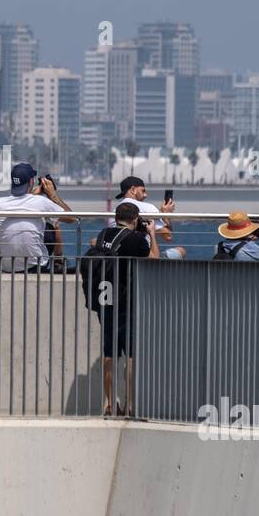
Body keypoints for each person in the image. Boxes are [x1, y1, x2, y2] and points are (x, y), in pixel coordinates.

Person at [92, 201, 158, 417]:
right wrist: (152, 235)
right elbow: (154, 259)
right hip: (127, 300)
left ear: (116, 217)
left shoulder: (103, 234)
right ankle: (130, 405)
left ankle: (110, 404)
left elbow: (94, 245)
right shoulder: (137, 239)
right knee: (130, 355)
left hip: (105, 298)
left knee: (110, 353)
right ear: (135, 218)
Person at [0, 162, 75, 272]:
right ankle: (58, 262)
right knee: (54, 223)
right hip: (35, 266)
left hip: (7, 267)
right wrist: (52, 195)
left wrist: (33, 196)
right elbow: (71, 218)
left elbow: (20, 205)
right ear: (31, 182)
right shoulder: (41, 202)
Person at [111, 176, 185, 259]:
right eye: (143, 191)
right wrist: (165, 215)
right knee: (181, 251)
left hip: (119, 257)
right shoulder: (148, 208)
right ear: (133, 190)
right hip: (145, 258)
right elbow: (168, 236)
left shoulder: (114, 211)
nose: (146, 195)